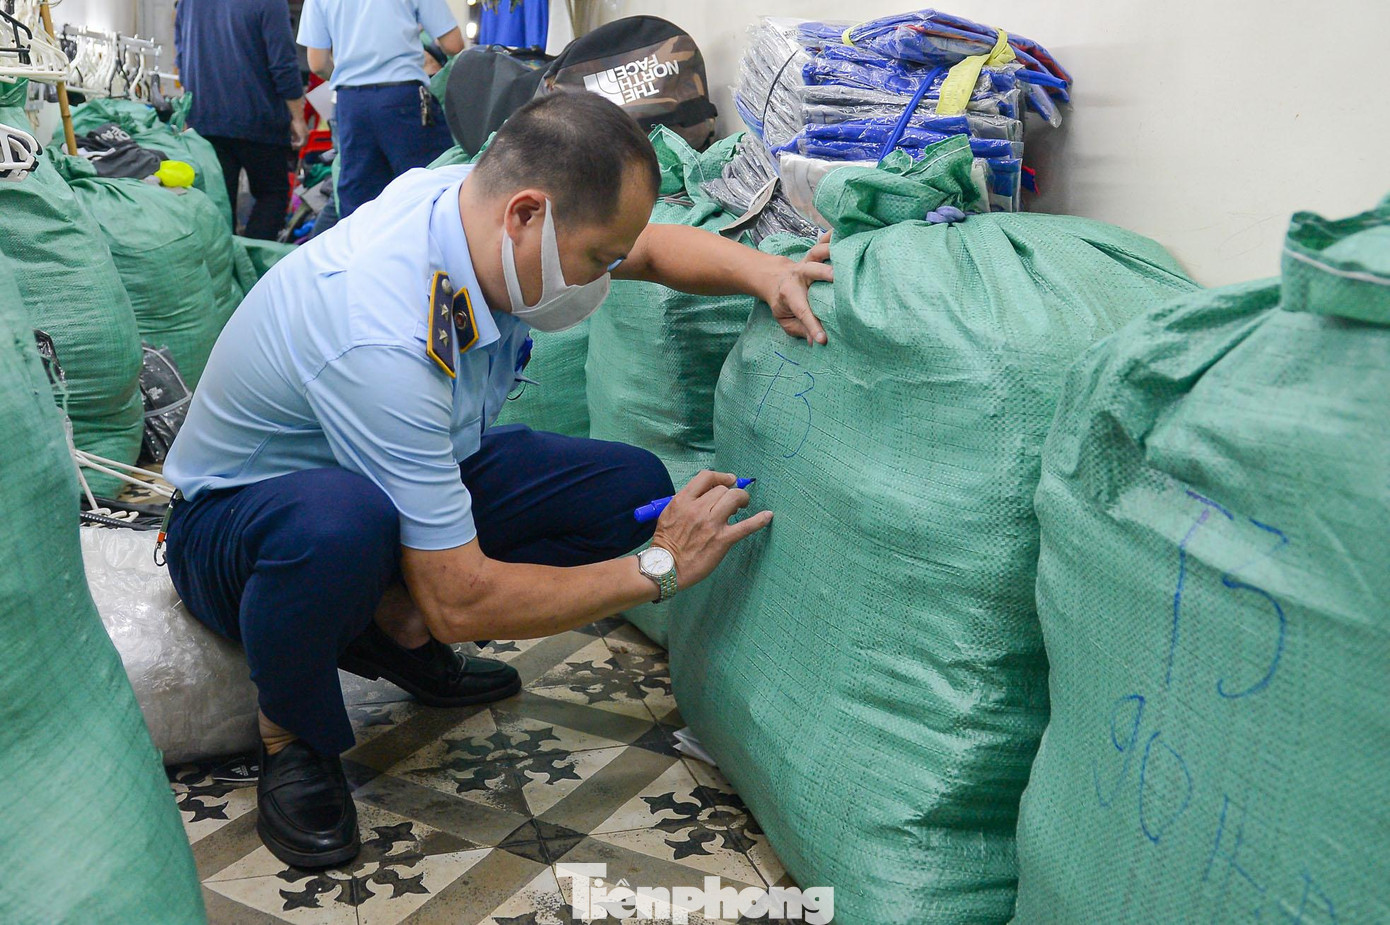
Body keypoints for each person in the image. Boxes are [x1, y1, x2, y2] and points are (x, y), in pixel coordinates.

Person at [161, 91, 831, 869]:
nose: (608, 278)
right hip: (241, 522)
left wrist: (765, 270)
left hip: (396, 468)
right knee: (337, 528)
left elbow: (645, 248)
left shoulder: (474, 214)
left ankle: (391, 632)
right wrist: (660, 566)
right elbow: (461, 598)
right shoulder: (381, 329)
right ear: (525, 215)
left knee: (625, 487)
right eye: (596, 260)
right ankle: (293, 734)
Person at [298, 0, 466, 218]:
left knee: (359, 211)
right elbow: (453, 44)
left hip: (351, 104)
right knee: (432, 192)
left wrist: (349, 76)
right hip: (403, 99)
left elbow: (317, 63)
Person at [174, 0, 308, 240]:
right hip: (259, 117)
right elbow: (283, 62)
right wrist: (298, 116)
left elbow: (182, 57)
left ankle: (228, 269)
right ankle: (256, 267)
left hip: (206, 119)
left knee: (218, 203)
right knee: (272, 194)